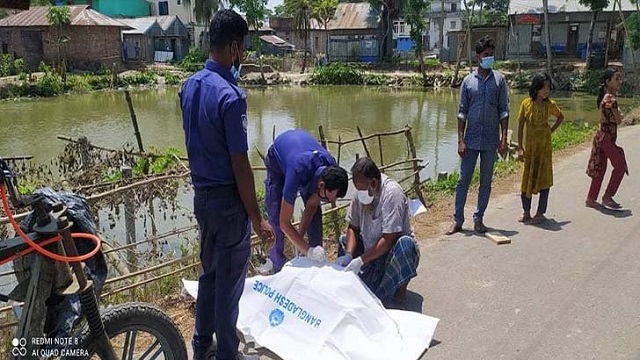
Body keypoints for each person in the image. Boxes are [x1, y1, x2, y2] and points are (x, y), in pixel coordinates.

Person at [179, 9, 272, 360]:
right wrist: (257, 217)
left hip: (201, 199)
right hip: (229, 205)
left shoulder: (189, 87)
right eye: (243, 48)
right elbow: (240, 164)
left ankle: (201, 346)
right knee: (229, 287)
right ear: (233, 47)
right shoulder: (232, 96)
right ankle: (228, 354)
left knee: (209, 276)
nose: (243, 55)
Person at [446, 35, 510, 235]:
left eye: (491, 55)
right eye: (486, 55)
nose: (489, 58)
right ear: (478, 57)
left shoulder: (499, 80)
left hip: (490, 141)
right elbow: (461, 113)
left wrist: (503, 139)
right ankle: (457, 220)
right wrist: (460, 140)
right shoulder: (467, 82)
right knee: (463, 180)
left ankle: (479, 218)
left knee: (485, 181)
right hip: (471, 140)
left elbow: (504, 111)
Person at [337, 157, 420, 306]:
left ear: (374, 183)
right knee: (344, 240)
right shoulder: (359, 193)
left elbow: (389, 239)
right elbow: (353, 228)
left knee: (405, 244)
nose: (358, 192)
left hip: (391, 254)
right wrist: (350, 255)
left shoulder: (391, 194)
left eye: (361, 188)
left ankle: (398, 295)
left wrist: (361, 260)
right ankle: (364, 287)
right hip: (371, 252)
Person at [265, 129, 349, 273]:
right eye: (327, 198)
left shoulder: (330, 167)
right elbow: (284, 222)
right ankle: (278, 267)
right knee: (276, 219)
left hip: (304, 156)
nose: (327, 201)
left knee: (315, 215)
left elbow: (311, 205)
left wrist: (301, 244)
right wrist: (307, 249)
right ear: (321, 185)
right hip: (279, 163)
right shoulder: (297, 171)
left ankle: (316, 265)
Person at [516, 73, 564, 224]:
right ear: (536, 88)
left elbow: (560, 117)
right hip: (530, 149)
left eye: (548, 88)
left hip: (544, 148)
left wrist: (550, 130)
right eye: (543, 87)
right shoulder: (526, 104)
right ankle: (526, 212)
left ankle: (540, 213)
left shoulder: (550, 105)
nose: (546, 91)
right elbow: (520, 125)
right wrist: (520, 147)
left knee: (544, 180)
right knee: (527, 179)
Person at [586, 67, 628, 209]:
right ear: (608, 81)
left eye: (619, 78)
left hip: (602, 138)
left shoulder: (607, 97)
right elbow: (618, 120)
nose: (619, 82)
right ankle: (607, 196)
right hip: (606, 139)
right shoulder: (610, 99)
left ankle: (591, 199)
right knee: (620, 166)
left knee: (601, 168)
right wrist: (620, 115)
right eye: (616, 79)